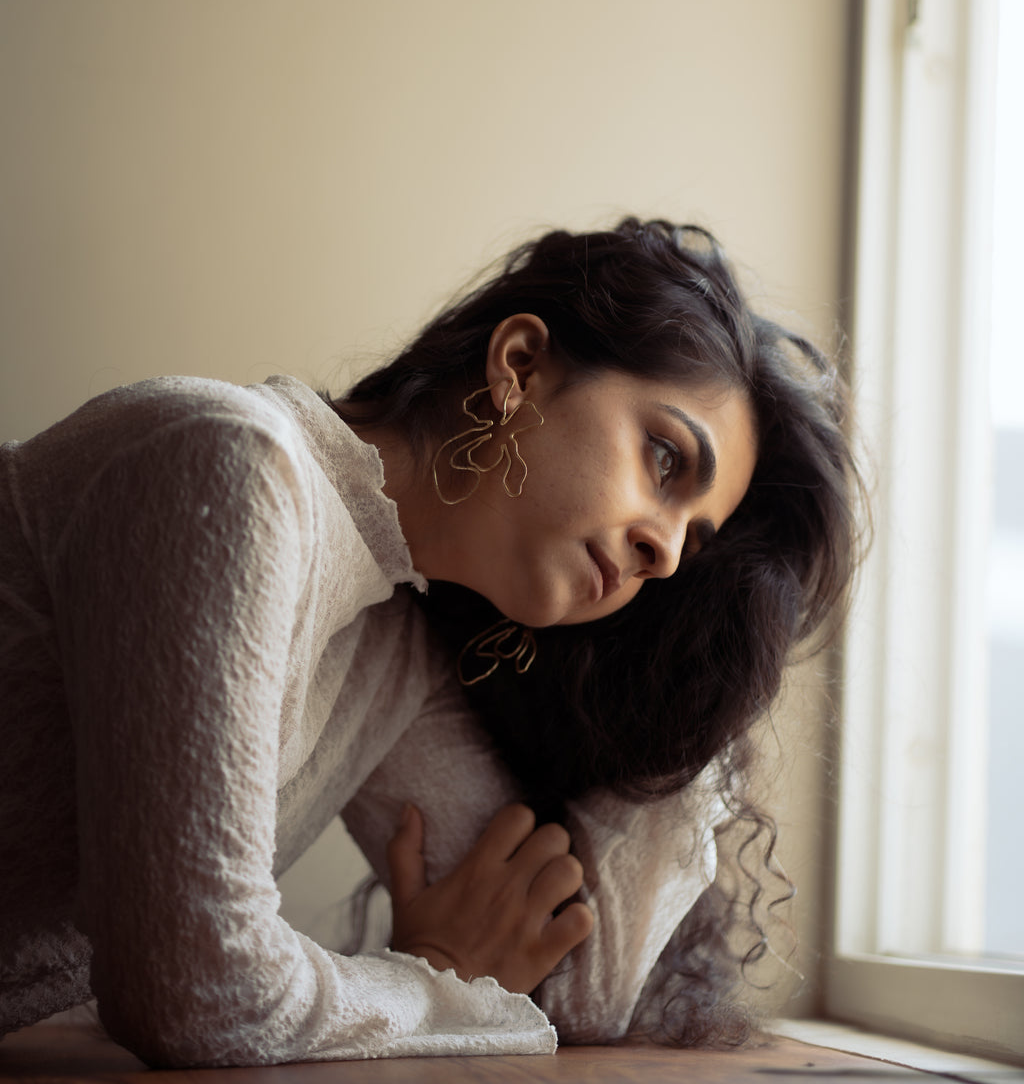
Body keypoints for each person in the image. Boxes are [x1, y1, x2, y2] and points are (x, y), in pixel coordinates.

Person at [0, 218, 863, 1066]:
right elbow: (193, 992)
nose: (665, 552)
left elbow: (578, 985)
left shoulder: (395, 644)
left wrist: (694, 674)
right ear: (519, 365)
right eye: (667, 461)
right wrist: (436, 980)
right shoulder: (234, 464)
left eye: (692, 543)